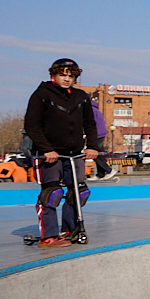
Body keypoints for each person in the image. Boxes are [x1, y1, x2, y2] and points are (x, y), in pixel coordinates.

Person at [23, 58, 100, 247]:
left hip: (74, 154)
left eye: (71, 76)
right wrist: (46, 149)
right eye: (62, 75)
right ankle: (48, 236)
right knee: (52, 193)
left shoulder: (81, 97)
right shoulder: (42, 94)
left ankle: (69, 230)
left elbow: (90, 124)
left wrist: (92, 146)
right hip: (49, 155)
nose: (66, 79)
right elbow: (32, 126)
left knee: (79, 193)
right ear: (53, 75)